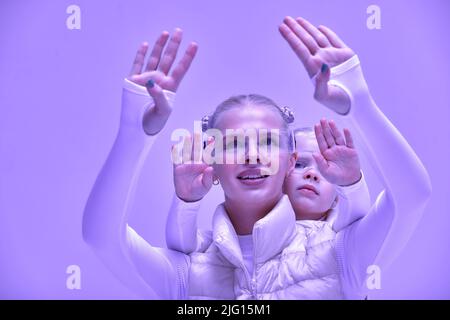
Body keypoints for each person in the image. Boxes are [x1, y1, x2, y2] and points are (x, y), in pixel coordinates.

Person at [82, 17, 432, 299]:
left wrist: (360, 104)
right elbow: (102, 237)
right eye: (234, 144)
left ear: (290, 161)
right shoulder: (185, 273)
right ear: (214, 163)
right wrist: (134, 132)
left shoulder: (341, 253)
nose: (251, 154)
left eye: (267, 141)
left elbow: (412, 198)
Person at [165, 125, 372, 256]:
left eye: (327, 172)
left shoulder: (339, 242)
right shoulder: (234, 237)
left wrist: (351, 184)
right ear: (282, 172)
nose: (312, 174)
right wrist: (187, 201)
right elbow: (180, 251)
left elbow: (359, 218)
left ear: (338, 198)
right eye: (300, 164)